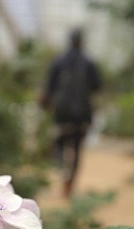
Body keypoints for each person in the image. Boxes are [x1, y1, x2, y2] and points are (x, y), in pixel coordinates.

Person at [40, 29, 102, 197]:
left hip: (62, 113)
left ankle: (62, 170)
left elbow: (49, 87)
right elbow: (97, 86)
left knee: (59, 143)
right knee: (76, 148)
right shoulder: (89, 63)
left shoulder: (59, 62)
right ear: (82, 42)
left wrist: (45, 104)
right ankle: (70, 182)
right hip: (82, 114)